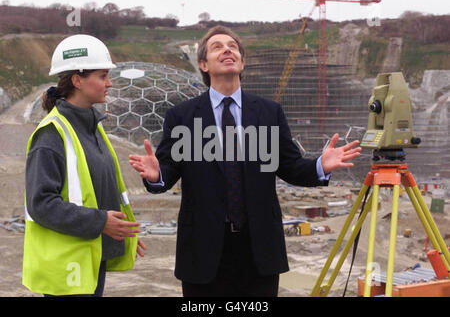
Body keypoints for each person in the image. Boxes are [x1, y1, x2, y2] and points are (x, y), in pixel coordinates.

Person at [129, 25, 361, 297]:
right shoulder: (182, 116)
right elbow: (169, 172)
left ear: (242, 61)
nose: (227, 49)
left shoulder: (268, 112)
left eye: (233, 46)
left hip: (258, 249)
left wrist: (319, 165)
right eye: (217, 46)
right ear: (203, 64)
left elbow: (290, 166)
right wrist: (157, 176)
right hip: (203, 250)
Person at [22, 34, 146, 297]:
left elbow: (99, 190)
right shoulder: (52, 134)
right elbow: (41, 203)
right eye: (102, 76)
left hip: (90, 256)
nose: (109, 83)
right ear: (77, 80)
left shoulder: (92, 128)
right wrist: (101, 222)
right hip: (67, 266)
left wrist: (120, 231)